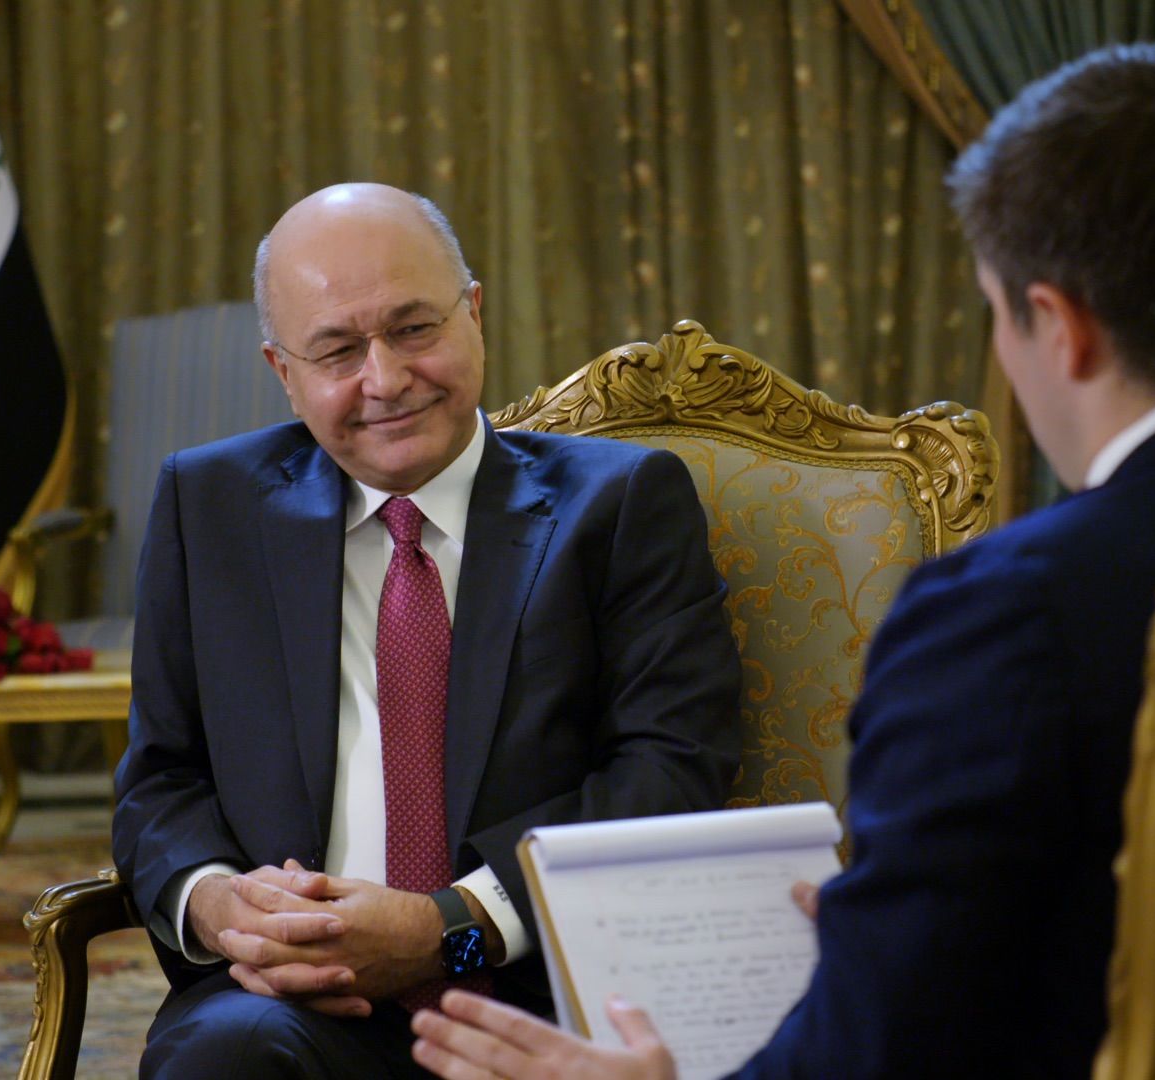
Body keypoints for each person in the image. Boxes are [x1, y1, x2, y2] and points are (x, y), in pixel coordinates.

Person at [407, 42, 1155, 1079]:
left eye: (996, 310)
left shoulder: (1007, 614)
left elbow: (872, 1060)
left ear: (1060, 329)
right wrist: (905, 919)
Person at [112, 182, 742, 1078]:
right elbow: (160, 777)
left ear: (474, 314)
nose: (386, 379)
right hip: (293, 999)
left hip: (533, 980)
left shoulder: (620, 506)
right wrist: (218, 906)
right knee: (224, 1058)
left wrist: (449, 929)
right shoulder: (209, 508)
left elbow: (670, 767)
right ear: (284, 372)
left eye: (413, 329)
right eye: (337, 350)